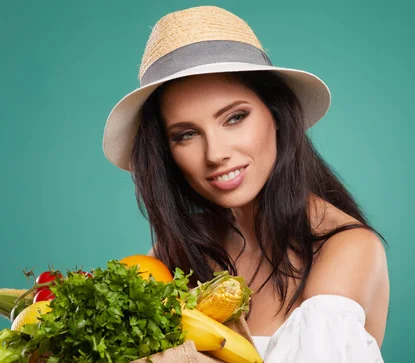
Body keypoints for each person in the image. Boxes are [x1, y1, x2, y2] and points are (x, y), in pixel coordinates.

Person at [103, 5, 389, 362]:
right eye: (187, 134)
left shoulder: (345, 248)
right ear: (167, 153)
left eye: (235, 118)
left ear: (278, 115)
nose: (215, 153)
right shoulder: (174, 256)